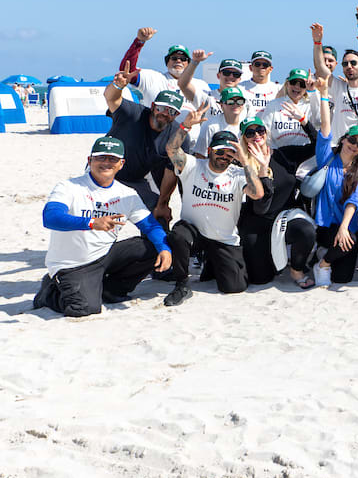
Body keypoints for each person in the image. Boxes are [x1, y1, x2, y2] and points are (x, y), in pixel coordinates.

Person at [33, 136, 173, 316]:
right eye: (100, 157)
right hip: (72, 263)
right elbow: (50, 218)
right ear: (90, 160)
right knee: (84, 308)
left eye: (112, 159)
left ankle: (110, 290)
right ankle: (48, 293)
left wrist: (164, 248)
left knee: (151, 246)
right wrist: (91, 223)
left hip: (105, 255)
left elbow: (150, 225)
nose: (106, 163)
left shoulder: (127, 194)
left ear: (121, 164)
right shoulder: (69, 187)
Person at [164, 117, 265, 305]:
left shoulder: (237, 174)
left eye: (229, 154)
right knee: (178, 235)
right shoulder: (193, 165)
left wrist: (245, 163)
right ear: (210, 150)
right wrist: (185, 126)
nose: (224, 157)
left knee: (234, 287)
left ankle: (212, 261)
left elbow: (258, 194)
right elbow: (171, 149)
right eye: (220, 152)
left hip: (222, 238)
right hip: (194, 233)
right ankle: (182, 284)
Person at [308, 76, 358, 286]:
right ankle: (322, 256)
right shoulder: (327, 158)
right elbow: (325, 127)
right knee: (337, 242)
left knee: (343, 278)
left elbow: (354, 202)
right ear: (344, 139)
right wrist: (324, 94)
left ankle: (323, 263)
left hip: (346, 225)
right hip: (325, 224)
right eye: (352, 140)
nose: (354, 146)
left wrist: (345, 228)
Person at [237, 116, 318, 288]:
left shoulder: (284, 154)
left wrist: (304, 121)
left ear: (266, 132)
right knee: (260, 279)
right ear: (244, 138)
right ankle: (274, 258)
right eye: (250, 133)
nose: (256, 135)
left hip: (286, 216)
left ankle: (297, 269)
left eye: (260, 130)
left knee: (307, 232)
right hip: (258, 222)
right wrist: (263, 170)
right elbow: (260, 207)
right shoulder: (241, 165)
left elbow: (319, 145)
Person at [102, 62, 187, 222]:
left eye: (171, 111)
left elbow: (171, 173)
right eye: (161, 108)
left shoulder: (178, 135)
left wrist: (162, 204)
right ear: (153, 106)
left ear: (177, 115)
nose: (164, 113)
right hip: (104, 172)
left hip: (136, 180)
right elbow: (111, 98)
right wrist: (117, 86)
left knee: (158, 214)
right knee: (96, 213)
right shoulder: (132, 113)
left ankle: (156, 247)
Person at [311, 22, 358, 140]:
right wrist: (317, 42)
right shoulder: (339, 87)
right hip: (339, 149)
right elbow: (320, 68)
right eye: (345, 64)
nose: (349, 66)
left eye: (353, 63)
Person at [117, 27, 197, 108]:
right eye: (174, 58)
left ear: (189, 64)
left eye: (183, 59)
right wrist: (139, 42)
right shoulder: (153, 78)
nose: (178, 61)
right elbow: (126, 71)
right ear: (167, 62)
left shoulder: (200, 85)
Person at [258, 68, 320, 172]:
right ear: (287, 84)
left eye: (302, 84)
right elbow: (265, 133)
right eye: (293, 82)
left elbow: (318, 121)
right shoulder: (274, 104)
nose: (297, 87)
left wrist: (312, 91)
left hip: (305, 161)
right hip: (279, 158)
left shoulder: (310, 105)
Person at [177, 54, 245, 123]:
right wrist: (195, 62)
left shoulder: (245, 101)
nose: (231, 76)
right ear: (218, 75)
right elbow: (183, 85)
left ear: (240, 79)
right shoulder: (207, 97)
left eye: (236, 74)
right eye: (226, 73)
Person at [195, 86, 247, 155]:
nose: (235, 104)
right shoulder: (210, 126)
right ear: (221, 105)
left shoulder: (246, 125)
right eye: (230, 102)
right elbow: (200, 155)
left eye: (240, 101)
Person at [240, 50, 280, 116]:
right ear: (250, 67)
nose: (261, 67)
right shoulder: (240, 88)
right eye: (257, 64)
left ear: (271, 69)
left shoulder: (278, 89)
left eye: (265, 65)